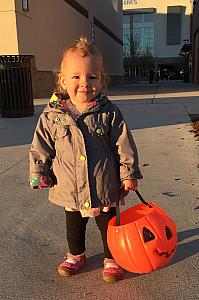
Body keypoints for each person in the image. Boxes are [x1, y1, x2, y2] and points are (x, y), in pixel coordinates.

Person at [29, 36, 143, 283]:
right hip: (70, 185)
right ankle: (76, 254)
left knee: (108, 223)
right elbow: (41, 146)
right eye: (76, 77)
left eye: (92, 77)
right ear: (62, 79)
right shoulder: (53, 115)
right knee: (74, 224)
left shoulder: (109, 112)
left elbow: (123, 144)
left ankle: (112, 258)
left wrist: (129, 173)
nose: (84, 83)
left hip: (104, 184)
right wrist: (39, 171)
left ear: (102, 80)